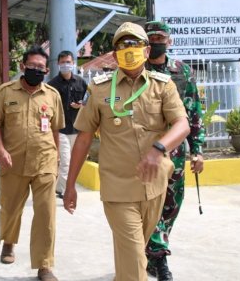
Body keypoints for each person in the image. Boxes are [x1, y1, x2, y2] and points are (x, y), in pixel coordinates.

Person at [63, 22, 190, 281]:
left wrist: (159, 149)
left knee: (133, 254)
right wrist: (70, 185)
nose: (128, 50)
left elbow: (182, 124)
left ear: (146, 51)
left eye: (134, 44)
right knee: (134, 258)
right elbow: (84, 139)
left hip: (154, 186)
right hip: (118, 188)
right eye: (122, 45)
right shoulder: (99, 89)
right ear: (115, 53)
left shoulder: (162, 86)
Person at [0, 45, 64, 281]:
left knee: (46, 214)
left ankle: (44, 264)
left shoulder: (52, 95)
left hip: (45, 161)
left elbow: (55, 129)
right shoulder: (5, 92)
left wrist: (57, 156)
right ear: (22, 67)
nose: (36, 70)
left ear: (46, 69)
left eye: (41, 67)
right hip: (13, 162)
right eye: (31, 66)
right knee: (10, 208)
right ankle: (9, 241)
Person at [143, 20, 205, 281]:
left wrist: (198, 150)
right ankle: (158, 257)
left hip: (176, 152)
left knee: (171, 204)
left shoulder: (183, 72)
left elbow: (194, 113)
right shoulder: (136, 70)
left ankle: (154, 250)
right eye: (151, 37)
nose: (156, 41)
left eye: (160, 37)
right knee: (148, 203)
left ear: (169, 41)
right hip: (146, 149)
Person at [47, 50, 88, 198]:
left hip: (77, 128)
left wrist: (81, 106)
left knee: (75, 162)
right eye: (63, 62)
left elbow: (88, 102)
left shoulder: (81, 82)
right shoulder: (52, 85)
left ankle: (62, 187)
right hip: (61, 130)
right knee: (65, 162)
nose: (66, 65)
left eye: (68, 62)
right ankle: (63, 190)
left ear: (73, 63)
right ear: (58, 64)